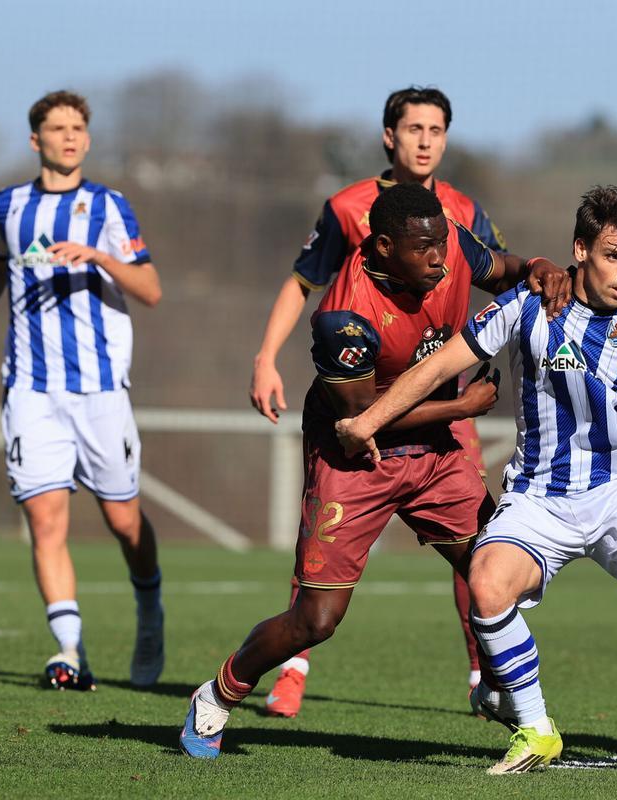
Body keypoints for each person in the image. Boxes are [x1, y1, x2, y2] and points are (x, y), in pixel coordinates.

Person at [336, 186, 617, 779]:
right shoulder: (529, 305)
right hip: (538, 496)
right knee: (487, 587)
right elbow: (442, 364)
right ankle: (537, 729)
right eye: (613, 256)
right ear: (580, 250)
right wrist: (367, 420)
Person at [179, 182, 570, 759]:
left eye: (443, 244)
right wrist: (463, 407)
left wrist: (541, 267)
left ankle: (496, 685)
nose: (439, 258)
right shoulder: (343, 316)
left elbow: (507, 268)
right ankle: (218, 693)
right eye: (423, 249)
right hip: (356, 459)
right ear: (384, 246)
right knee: (316, 620)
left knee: (499, 571)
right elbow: (364, 419)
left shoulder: (450, 245)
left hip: (436, 452)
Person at [249, 86, 512, 717]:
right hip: (359, 394)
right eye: (414, 128)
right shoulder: (349, 209)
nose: (426, 140)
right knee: (318, 560)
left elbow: (503, 273)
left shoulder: (461, 212)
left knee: (484, 545)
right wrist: (265, 357)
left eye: (437, 129)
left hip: (441, 395)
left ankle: (484, 673)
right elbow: (303, 281)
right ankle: (292, 667)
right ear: (389, 137)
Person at [0, 90, 165, 690]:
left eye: (78, 128)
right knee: (46, 522)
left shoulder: (109, 206)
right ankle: (69, 651)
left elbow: (150, 288)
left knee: (125, 524)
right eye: (57, 128)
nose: (70, 137)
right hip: (29, 389)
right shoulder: (9, 205)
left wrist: (98, 257)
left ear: (88, 139)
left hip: (99, 389)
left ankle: (150, 607)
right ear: (35, 139)